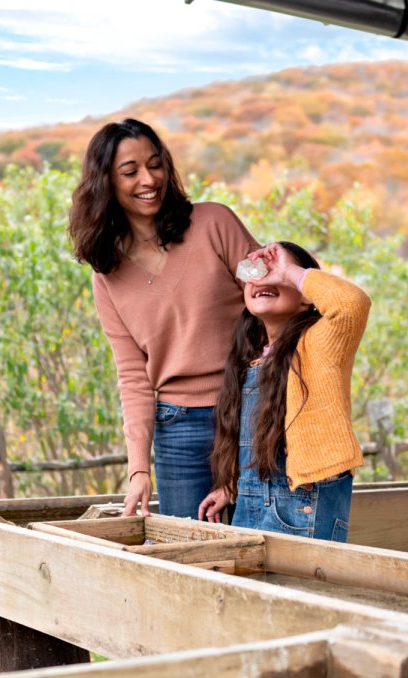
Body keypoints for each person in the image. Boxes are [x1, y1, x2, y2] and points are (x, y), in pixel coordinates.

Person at [68, 118, 258, 518]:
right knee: (186, 562)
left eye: (155, 164)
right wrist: (139, 468)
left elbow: (274, 300)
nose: (148, 179)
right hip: (177, 427)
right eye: (130, 171)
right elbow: (133, 376)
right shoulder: (107, 275)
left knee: (261, 550)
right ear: (105, 182)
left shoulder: (214, 224)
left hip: (248, 411)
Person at [198, 242, 370, 540]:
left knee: (300, 586)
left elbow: (352, 304)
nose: (264, 279)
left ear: (306, 296)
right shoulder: (248, 359)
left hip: (303, 501)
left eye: (276, 275)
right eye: (257, 274)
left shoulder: (319, 343)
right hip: (249, 505)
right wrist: (232, 487)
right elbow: (256, 444)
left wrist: (290, 271)